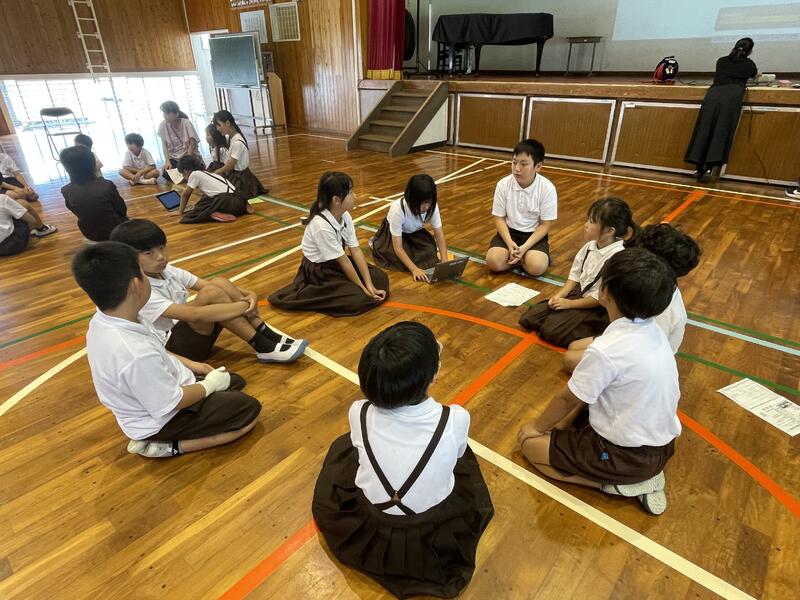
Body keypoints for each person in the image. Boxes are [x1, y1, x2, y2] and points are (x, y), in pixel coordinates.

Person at [313, 322, 494, 598]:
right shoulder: (455, 418)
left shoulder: (358, 411)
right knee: (460, 458)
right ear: (433, 376)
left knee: (346, 448)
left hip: (370, 520)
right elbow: (458, 457)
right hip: (430, 528)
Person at [518, 249, 680, 515]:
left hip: (626, 457)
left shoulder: (607, 350)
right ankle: (629, 475)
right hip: (661, 448)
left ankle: (619, 484)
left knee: (529, 446)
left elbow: (567, 398)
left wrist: (535, 427)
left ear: (605, 292)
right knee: (566, 420)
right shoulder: (655, 332)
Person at [72, 241, 262, 459]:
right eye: (143, 273)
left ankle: (204, 395)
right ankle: (166, 446)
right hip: (161, 420)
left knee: (235, 382)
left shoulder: (111, 317)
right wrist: (209, 385)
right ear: (136, 284)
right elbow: (172, 402)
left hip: (167, 387)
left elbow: (158, 351)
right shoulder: (134, 353)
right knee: (249, 412)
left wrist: (194, 365)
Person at [109, 219, 307, 364]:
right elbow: (194, 314)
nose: (161, 257)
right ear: (128, 258)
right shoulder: (139, 290)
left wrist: (249, 294)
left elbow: (210, 284)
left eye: (162, 248)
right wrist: (243, 305)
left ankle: (265, 333)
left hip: (192, 334)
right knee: (212, 294)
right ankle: (261, 345)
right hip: (175, 350)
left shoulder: (168, 271)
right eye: (148, 253)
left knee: (219, 282)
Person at [564, 223, 701, 371]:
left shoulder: (662, 309)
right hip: (628, 336)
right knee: (573, 346)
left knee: (570, 359)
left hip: (640, 355)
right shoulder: (653, 286)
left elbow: (643, 350)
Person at [268, 172, 389, 316]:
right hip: (319, 271)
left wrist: (369, 285)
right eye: (350, 192)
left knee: (380, 278)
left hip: (336, 263)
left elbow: (355, 250)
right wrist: (363, 289)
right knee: (359, 298)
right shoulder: (321, 225)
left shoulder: (345, 215)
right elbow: (344, 261)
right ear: (336, 200)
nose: (355, 196)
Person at [519, 198, 635, 347]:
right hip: (580, 294)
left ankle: (598, 333)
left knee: (551, 331)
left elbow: (598, 298)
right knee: (529, 318)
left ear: (609, 231)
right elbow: (574, 276)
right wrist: (560, 295)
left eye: (592, 222)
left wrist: (569, 304)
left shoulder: (616, 258)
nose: (586, 225)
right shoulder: (589, 246)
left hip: (598, 307)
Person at [684, 37, 757, 182]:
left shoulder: (721, 61)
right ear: (750, 51)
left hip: (713, 95)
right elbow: (754, 75)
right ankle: (710, 167)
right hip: (731, 98)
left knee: (704, 129)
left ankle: (698, 167)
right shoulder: (749, 64)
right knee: (721, 131)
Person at [486, 139, 557, 276]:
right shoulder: (503, 185)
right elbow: (499, 218)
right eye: (514, 162)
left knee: (537, 267)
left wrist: (524, 248)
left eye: (523, 164)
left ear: (538, 166)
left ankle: (524, 257)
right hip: (509, 233)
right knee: (493, 261)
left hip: (533, 235)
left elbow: (545, 224)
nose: (517, 168)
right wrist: (509, 243)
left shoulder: (547, 188)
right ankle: (521, 259)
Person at [369, 174, 448, 281]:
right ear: (411, 199)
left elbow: (439, 234)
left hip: (415, 233)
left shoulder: (432, 207)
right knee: (396, 260)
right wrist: (414, 269)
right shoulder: (398, 209)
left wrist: (444, 261)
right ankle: (376, 242)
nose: (426, 207)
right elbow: (398, 247)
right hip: (395, 236)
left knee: (429, 254)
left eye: (428, 202)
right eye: (422, 203)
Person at [60, 145, 128, 242]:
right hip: (115, 231)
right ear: (91, 164)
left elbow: (74, 210)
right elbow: (122, 210)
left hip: (90, 233)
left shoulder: (66, 190)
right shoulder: (106, 185)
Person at [176, 155, 249, 224]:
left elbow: (185, 195)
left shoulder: (194, 174)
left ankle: (214, 214)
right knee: (205, 199)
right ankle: (243, 209)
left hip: (228, 202)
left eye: (182, 174)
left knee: (197, 210)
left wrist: (180, 212)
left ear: (186, 171)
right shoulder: (209, 173)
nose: (183, 177)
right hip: (241, 201)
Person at [212, 110, 268, 198]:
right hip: (236, 175)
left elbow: (230, 165)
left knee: (222, 198)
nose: (217, 128)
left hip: (241, 179)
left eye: (219, 125)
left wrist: (218, 171)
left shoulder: (237, 142)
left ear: (227, 123)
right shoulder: (231, 137)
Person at [157, 100, 202, 181]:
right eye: (164, 113)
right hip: (174, 158)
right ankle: (184, 176)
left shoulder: (186, 123)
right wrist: (167, 161)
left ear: (176, 114)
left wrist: (185, 162)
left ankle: (185, 176)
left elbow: (192, 143)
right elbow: (164, 144)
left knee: (191, 171)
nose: (165, 115)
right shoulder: (163, 124)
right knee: (166, 173)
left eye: (167, 113)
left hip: (188, 156)